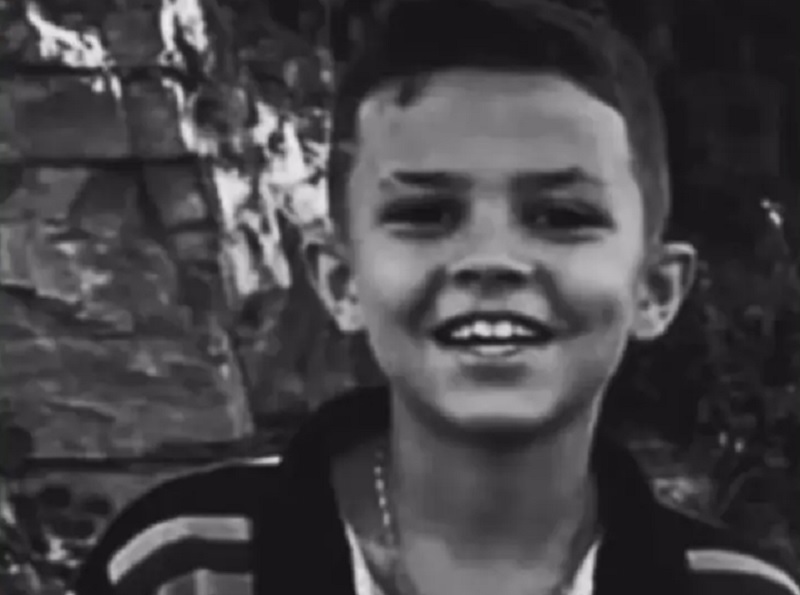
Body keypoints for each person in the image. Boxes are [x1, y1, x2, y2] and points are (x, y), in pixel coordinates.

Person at [74, 0, 800, 594]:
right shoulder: (189, 566)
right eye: (425, 214)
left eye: (561, 216)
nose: (490, 259)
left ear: (655, 289)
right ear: (339, 279)